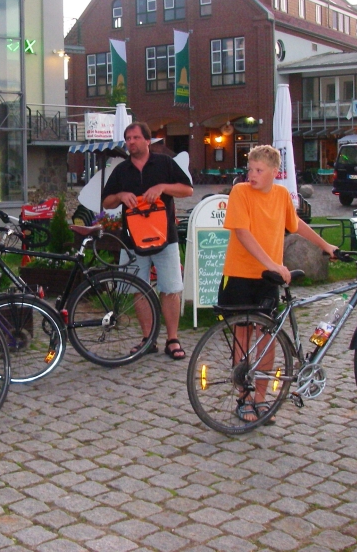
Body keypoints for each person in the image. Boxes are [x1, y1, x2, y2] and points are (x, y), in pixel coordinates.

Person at [219, 145, 337, 422]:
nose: (252, 175)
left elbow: (296, 225)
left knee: (267, 338)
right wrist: (271, 263)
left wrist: (325, 245)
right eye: (250, 169)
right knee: (242, 338)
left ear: (275, 172)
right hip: (240, 274)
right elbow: (242, 232)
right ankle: (243, 397)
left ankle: (261, 398)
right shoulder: (240, 192)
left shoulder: (281, 195)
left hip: (268, 279)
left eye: (259, 170)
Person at [102, 122, 194, 360]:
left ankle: (172, 339)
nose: (130, 142)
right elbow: (106, 202)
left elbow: (188, 190)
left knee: (170, 289)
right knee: (137, 289)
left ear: (147, 140)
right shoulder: (122, 170)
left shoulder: (164, 163)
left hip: (166, 238)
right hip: (132, 240)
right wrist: (120, 195)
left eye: (135, 138)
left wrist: (163, 187)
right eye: (127, 139)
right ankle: (148, 339)